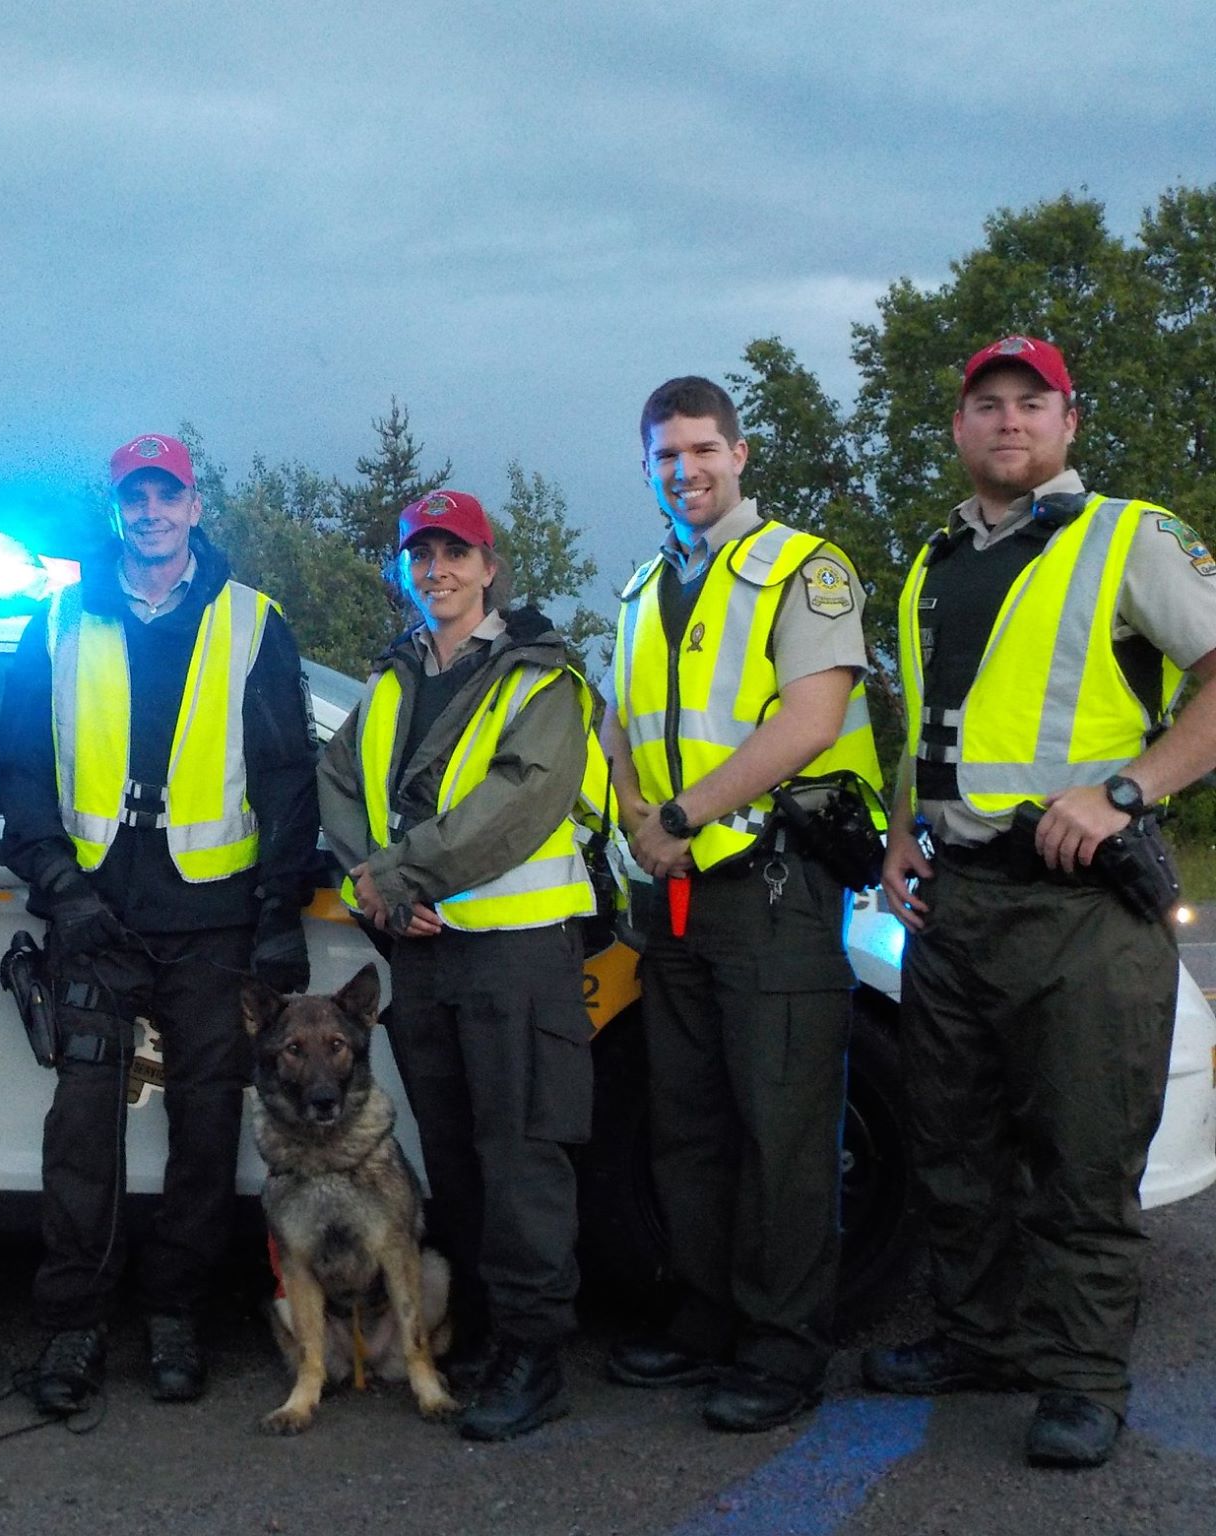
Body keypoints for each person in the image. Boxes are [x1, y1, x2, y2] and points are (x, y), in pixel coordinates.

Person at [863, 335, 1216, 1468]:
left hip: (1079, 910)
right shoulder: (930, 562)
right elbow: (931, 729)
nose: (1006, 421)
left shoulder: (1129, 536)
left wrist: (1129, 789)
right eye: (984, 405)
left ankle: (1077, 1381)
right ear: (958, 429)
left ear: (1066, 423)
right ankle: (979, 1338)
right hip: (953, 902)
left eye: (1030, 403)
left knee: (1081, 1155)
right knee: (953, 1149)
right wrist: (898, 833)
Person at [0, 431, 320, 1414]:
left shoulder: (253, 621)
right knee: (82, 1130)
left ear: (192, 507)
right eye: (133, 497)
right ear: (116, 509)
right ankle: (74, 1326)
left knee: (205, 1125)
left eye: (165, 496)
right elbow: (22, 774)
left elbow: (287, 782)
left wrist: (276, 915)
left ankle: (176, 1316)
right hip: (95, 918)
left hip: (212, 923)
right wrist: (62, 889)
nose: (149, 512)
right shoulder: (54, 620)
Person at [601, 376, 885, 1432]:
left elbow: (810, 720)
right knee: (688, 1124)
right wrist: (637, 819)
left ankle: (780, 1347)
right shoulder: (637, 589)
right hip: (674, 895)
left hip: (770, 887)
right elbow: (623, 726)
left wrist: (673, 817)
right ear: (646, 468)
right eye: (664, 455)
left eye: (700, 450)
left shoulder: (801, 571)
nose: (684, 470)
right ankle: (706, 1318)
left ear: (739, 452)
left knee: (783, 1128)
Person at [317, 490, 600, 1442]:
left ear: (490, 567)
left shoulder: (544, 678)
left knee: (523, 1157)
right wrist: (371, 882)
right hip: (425, 954)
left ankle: (536, 1354)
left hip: (517, 953)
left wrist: (395, 874)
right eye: (419, 554)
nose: (436, 569)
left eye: (455, 553)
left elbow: (520, 801)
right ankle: (483, 1331)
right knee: (458, 1157)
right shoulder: (392, 678)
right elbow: (341, 780)